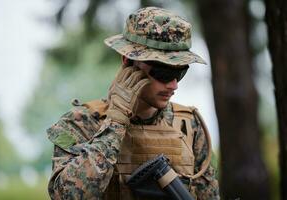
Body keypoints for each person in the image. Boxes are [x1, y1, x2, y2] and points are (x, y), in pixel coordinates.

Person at [47, 7, 220, 200]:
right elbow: (65, 196)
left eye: (180, 73)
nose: (174, 85)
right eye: (163, 72)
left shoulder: (190, 126)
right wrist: (115, 123)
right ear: (128, 61)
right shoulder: (80, 123)